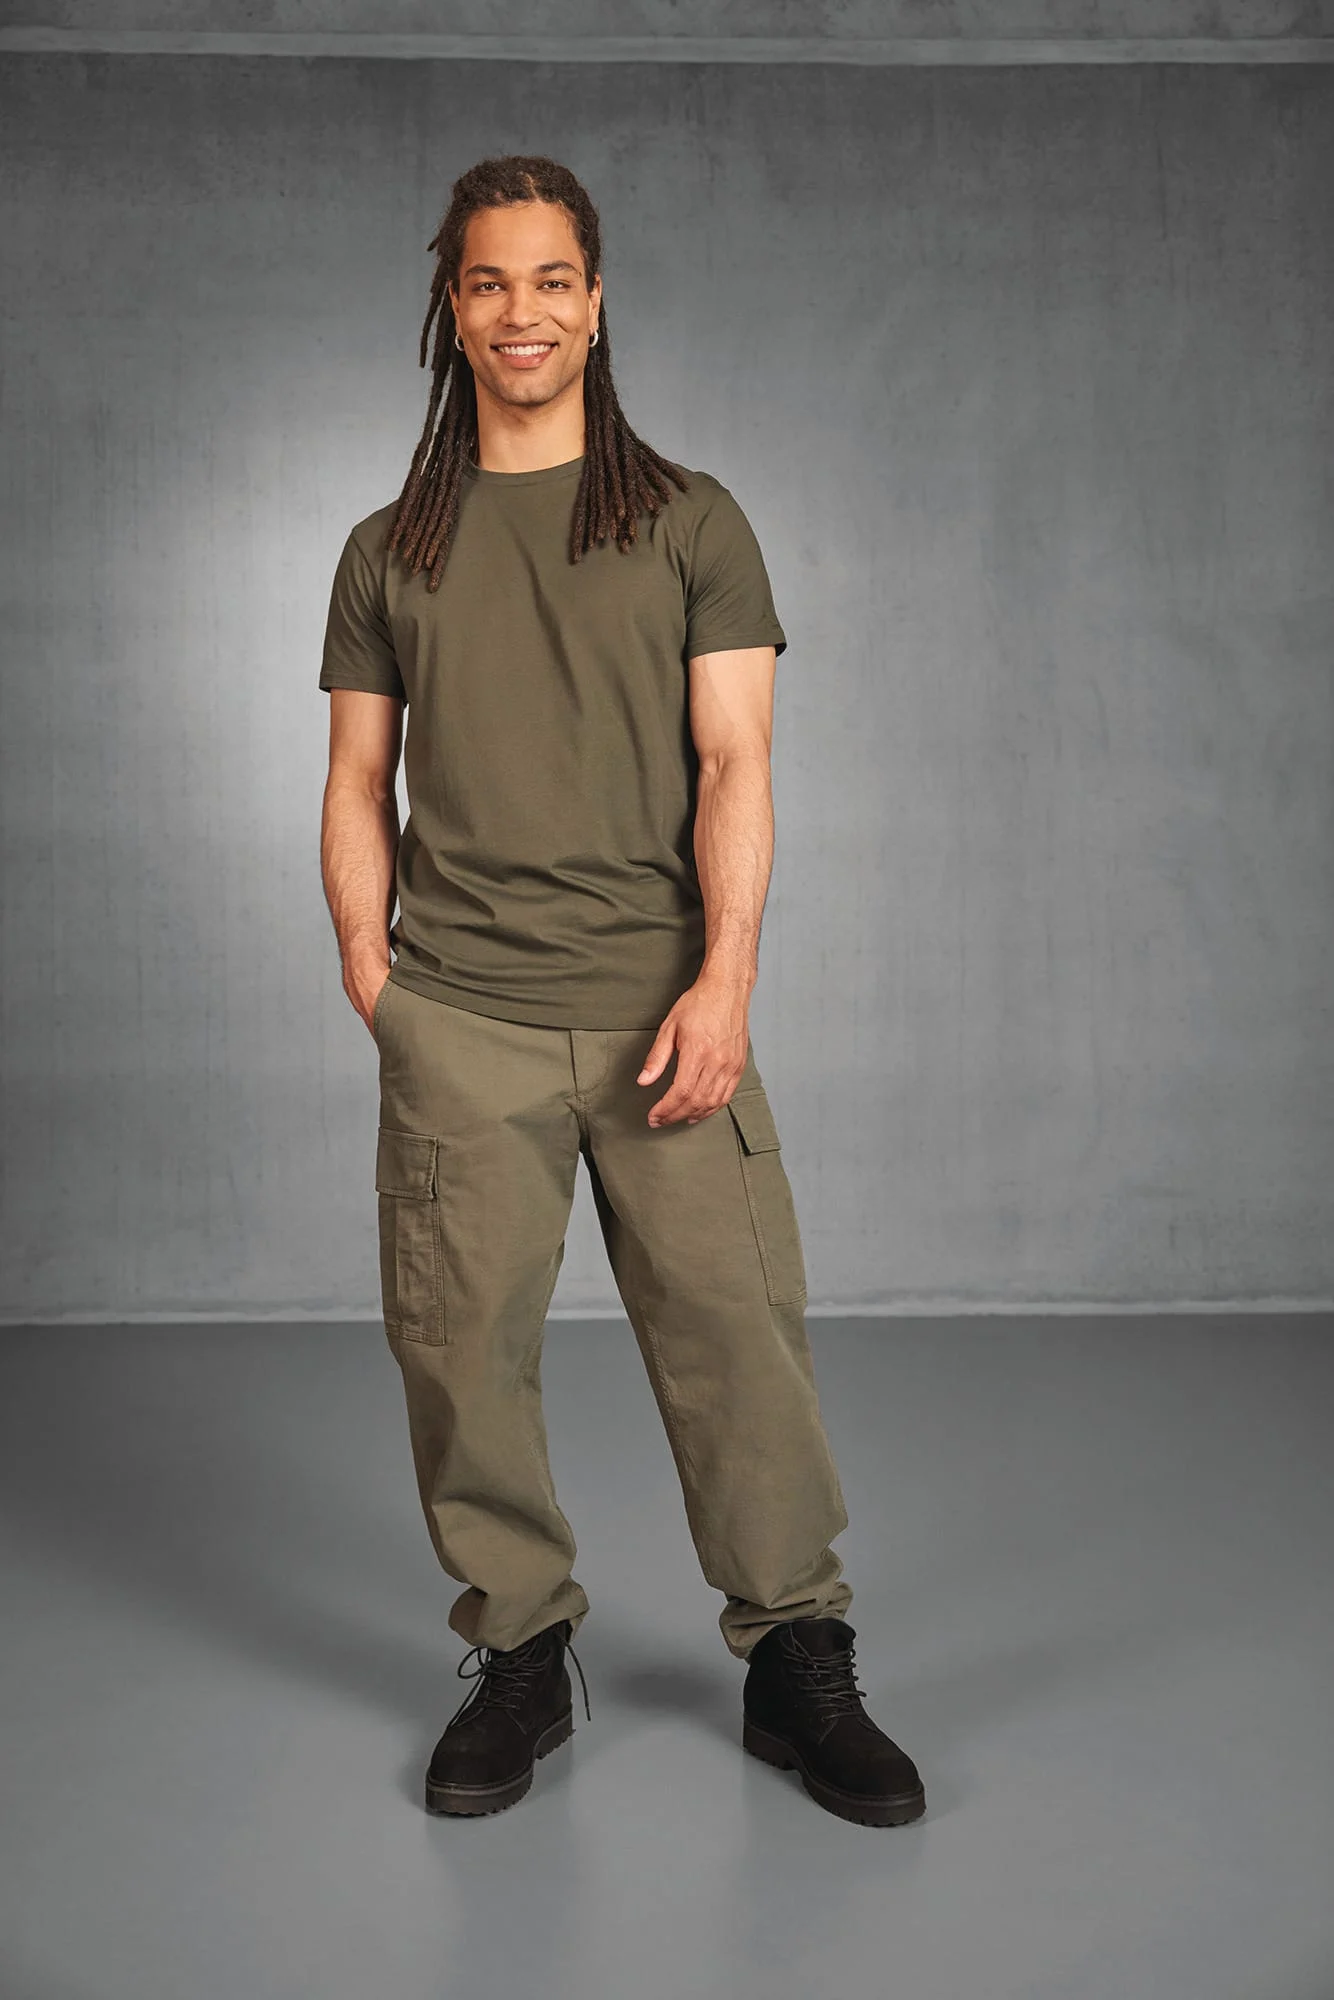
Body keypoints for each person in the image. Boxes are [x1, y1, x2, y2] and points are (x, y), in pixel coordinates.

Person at [318, 154, 924, 1831]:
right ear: (450, 309)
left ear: (596, 302)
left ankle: (794, 1653)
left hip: (669, 1016)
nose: (520, 311)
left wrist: (724, 981)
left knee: (737, 1345)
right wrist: (374, 975)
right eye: (487, 281)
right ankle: (521, 1647)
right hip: (461, 1020)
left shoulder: (688, 523)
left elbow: (736, 763)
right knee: (460, 1359)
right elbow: (355, 779)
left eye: (551, 279)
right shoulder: (387, 548)